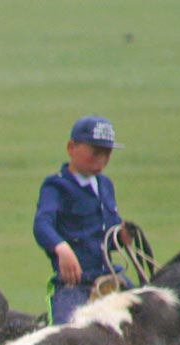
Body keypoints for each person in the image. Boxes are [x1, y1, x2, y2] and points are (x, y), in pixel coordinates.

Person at [34, 115, 128, 324]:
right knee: (68, 333)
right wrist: (61, 248)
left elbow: (108, 234)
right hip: (75, 284)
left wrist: (121, 237)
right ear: (71, 147)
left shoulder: (105, 185)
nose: (101, 161)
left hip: (110, 276)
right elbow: (42, 224)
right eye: (95, 153)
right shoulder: (56, 186)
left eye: (107, 154)